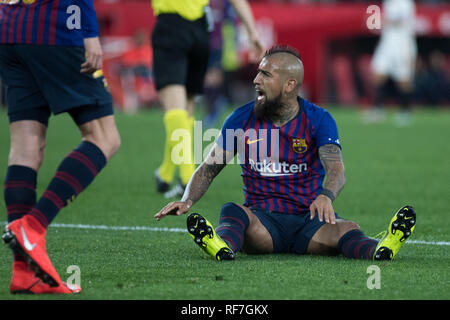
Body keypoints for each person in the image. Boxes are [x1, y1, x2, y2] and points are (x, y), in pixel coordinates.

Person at [155, 45, 416, 262]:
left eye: (266, 74)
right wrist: (187, 200)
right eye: (258, 73)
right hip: (262, 222)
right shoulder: (241, 118)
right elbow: (209, 167)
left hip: (311, 220)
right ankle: (220, 246)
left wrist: (326, 196)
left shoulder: (318, 119)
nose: (256, 80)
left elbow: (336, 168)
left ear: (290, 84)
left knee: (348, 229)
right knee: (232, 212)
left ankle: (382, 248)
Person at [0, 0, 121, 294]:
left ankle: (25, 272)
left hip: (9, 28)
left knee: (25, 144)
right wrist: (89, 32)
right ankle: (33, 227)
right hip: (57, 24)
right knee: (104, 137)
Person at [151, 0, 264, 198]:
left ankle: (188, 177)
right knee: (186, 106)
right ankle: (165, 173)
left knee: (174, 106)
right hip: (201, 28)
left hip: (172, 25)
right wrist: (252, 33)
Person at [368, 0, 417, 126]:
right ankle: (378, 109)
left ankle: (405, 112)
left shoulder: (405, 3)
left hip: (402, 43)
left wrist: (379, 20)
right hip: (387, 42)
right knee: (378, 73)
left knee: (403, 79)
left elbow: (400, 21)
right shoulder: (388, 2)